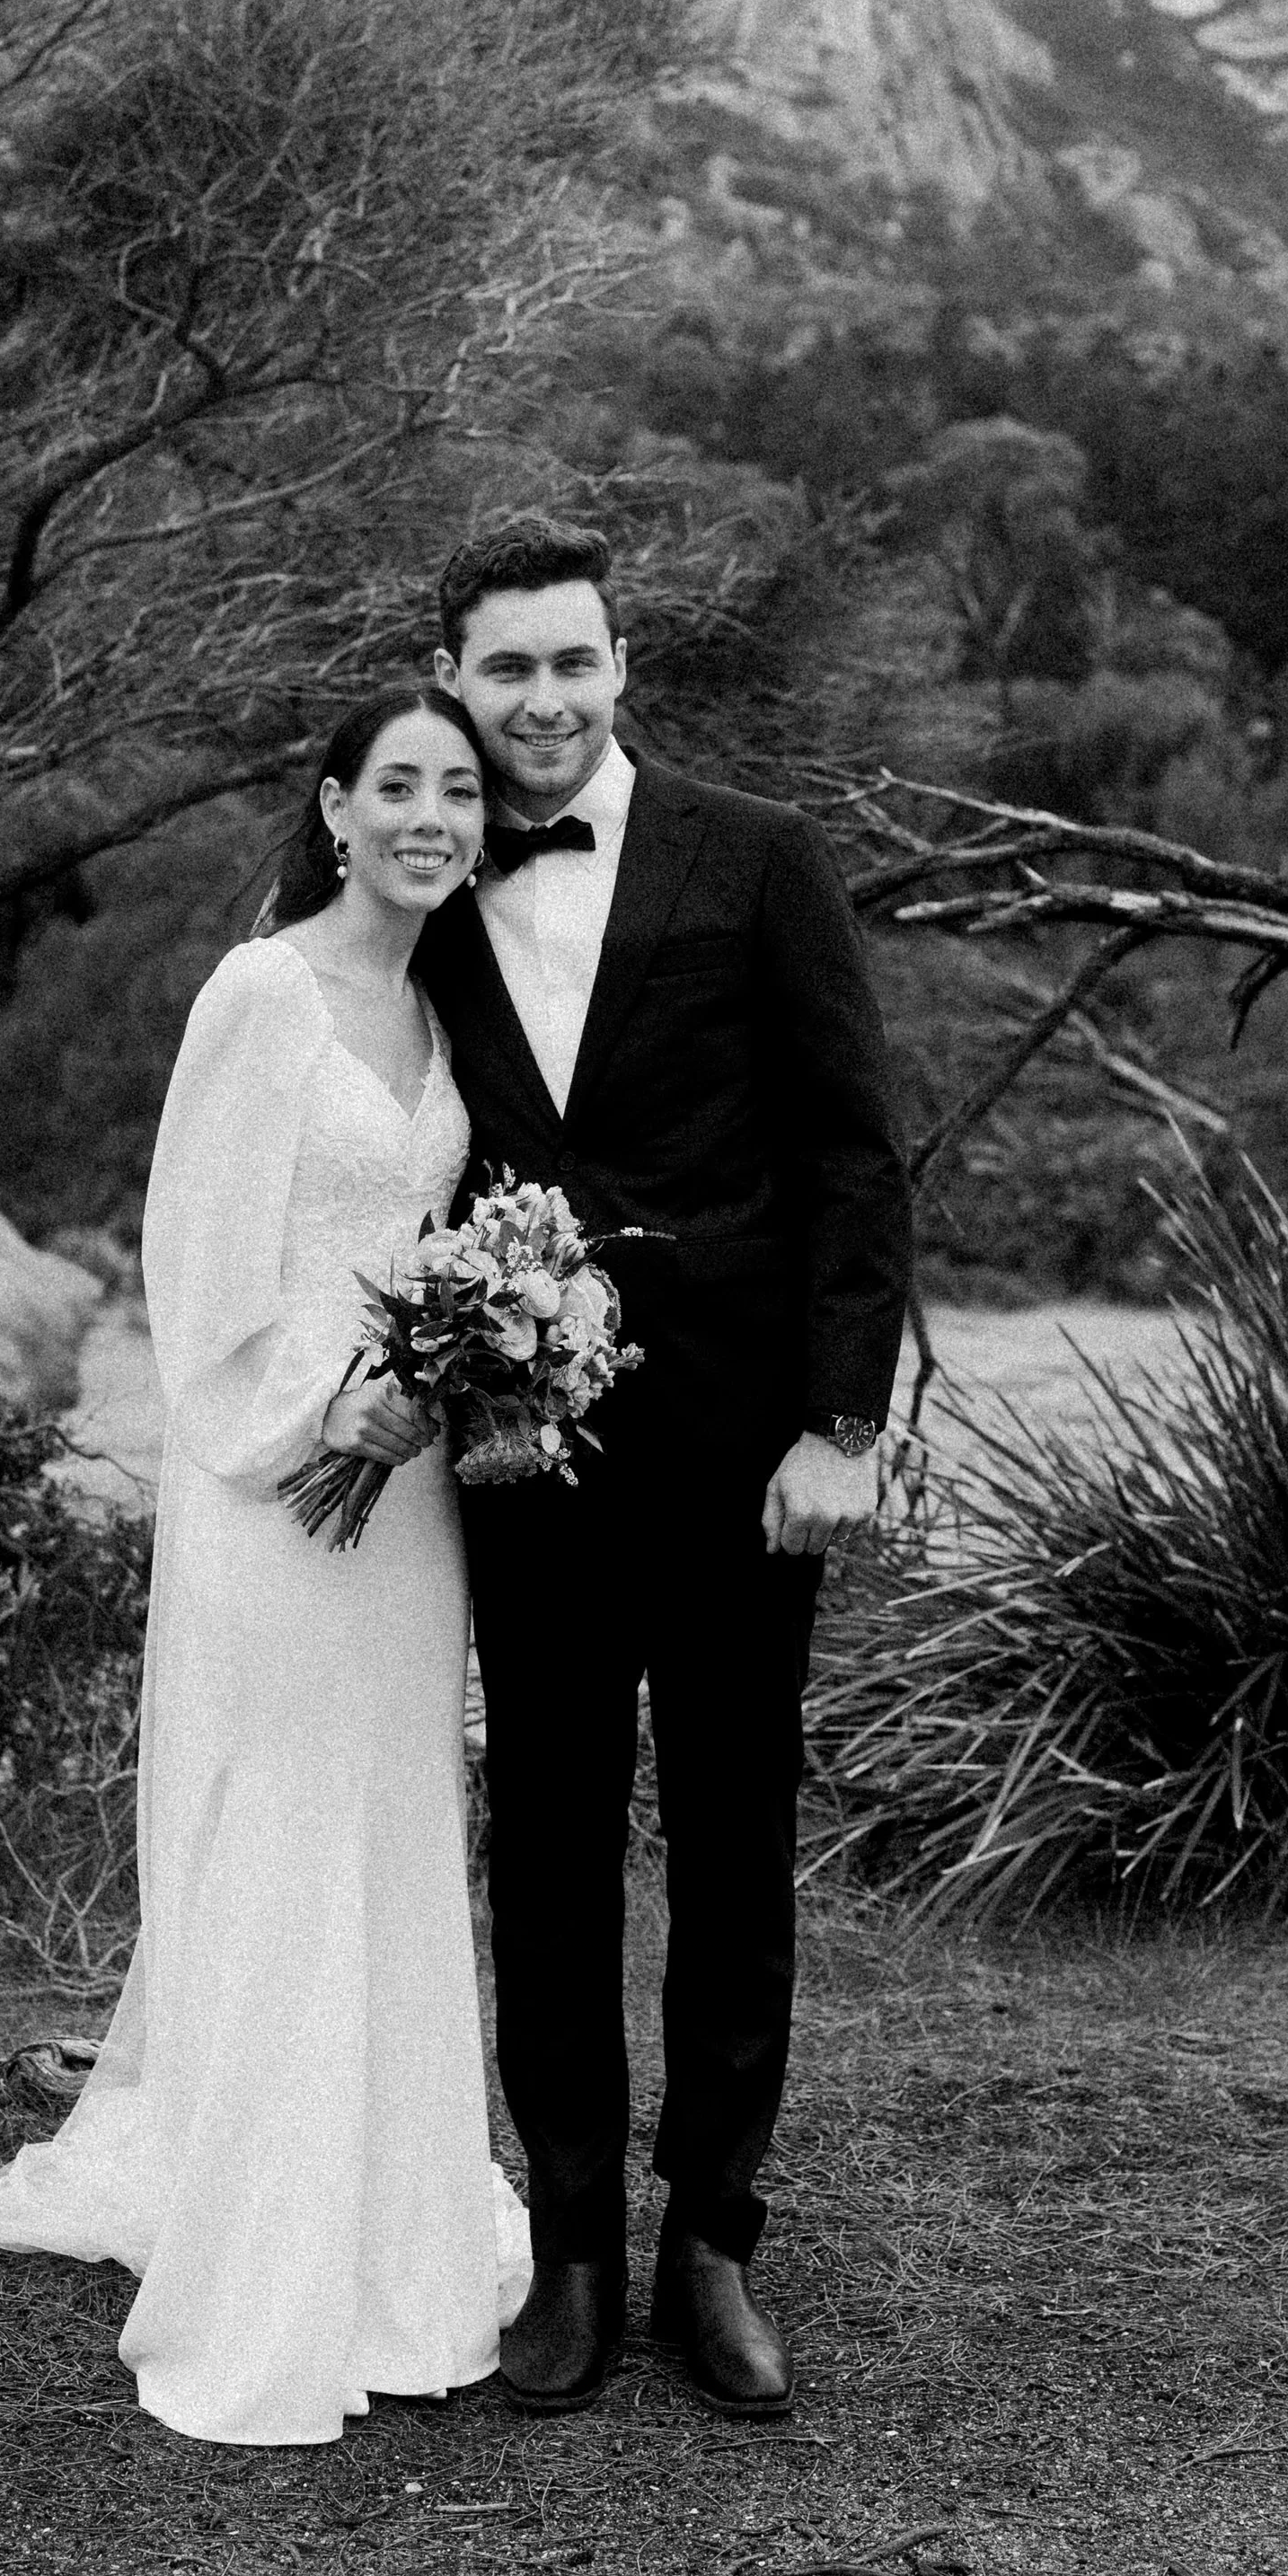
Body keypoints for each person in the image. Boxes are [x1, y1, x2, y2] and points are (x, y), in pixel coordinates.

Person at [0, 686, 531, 2445]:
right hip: (274, 1489)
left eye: (457, 793)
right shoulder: (261, 995)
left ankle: (399, 2260)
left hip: (406, 1517)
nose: (428, 817)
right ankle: (269, 2276)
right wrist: (324, 1417)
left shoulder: (451, 1011)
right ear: (329, 807)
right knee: (278, 1838)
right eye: (396, 785)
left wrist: (454, 1380)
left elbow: (444, 1246)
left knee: (389, 1837)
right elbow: (192, 1268)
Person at [418, 513, 913, 2421]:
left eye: (573, 661)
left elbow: (856, 1153)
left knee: (730, 1850)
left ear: (621, 668)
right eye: (507, 667)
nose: (543, 698)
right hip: (515, 1461)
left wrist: (842, 1425)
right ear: (453, 678)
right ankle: (562, 2257)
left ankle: (710, 2236)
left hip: (740, 1462)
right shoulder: (420, 873)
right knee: (537, 1847)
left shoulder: (759, 858)